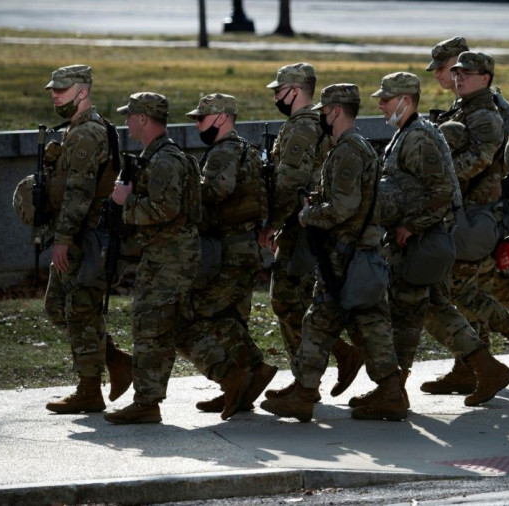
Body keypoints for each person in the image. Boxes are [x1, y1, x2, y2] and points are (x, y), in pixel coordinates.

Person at [349, 72, 509, 410]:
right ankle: (487, 368)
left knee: (406, 313)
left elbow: (441, 192)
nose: (381, 104)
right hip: (425, 242)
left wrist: (412, 224)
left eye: (387, 98)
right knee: (436, 310)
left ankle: (393, 390)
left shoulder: (419, 138)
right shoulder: (408, 134)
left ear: (406, 101)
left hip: (422, 243)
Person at [260, 84, 407, 422]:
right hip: (359, 253)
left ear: (336, 111)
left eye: (324, 111)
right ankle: (389, 391)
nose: (321, 117)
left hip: (345, 255)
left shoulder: (347, 151)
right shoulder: (357, 147)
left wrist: (308, 214)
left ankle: (305, 391)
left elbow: (343, 206)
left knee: (318, 321)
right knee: (370, 324)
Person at [104, 92, 251, 424]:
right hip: (171, 253)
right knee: (178, 327)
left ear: (143, 119)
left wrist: (125, 202)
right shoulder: (161, 157)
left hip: (169, 256)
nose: (126, 122)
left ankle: (147, 402)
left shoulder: (165, 161)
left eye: (131, 116)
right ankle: (233, 376)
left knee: (150, 324)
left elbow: (166, 209)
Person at [419, 52, 509, 397]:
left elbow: (480, 159)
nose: (458, 79)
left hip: (479, 216)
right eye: (455, 73)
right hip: (466, 214)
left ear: (485, 77)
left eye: (466, 74)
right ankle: (472, 367)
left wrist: (434, 176)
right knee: (472, 289)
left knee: (461, 290)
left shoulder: (485, 114)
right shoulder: (465, 109)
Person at [260, 63, 363, 400]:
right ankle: (313, 374)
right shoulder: (307, 124)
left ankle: (315, 374)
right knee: (296, 301)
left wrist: (272, 223)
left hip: (300, 225)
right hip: (304, 222)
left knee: (290, 301)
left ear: (295, 90)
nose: (276, 96)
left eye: (280, 90)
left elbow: (291, 183)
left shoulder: (302, 128)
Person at [41, 64, 132, 414]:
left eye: (62, 90)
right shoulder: (81, 128)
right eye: (53, 90)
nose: (55, 95)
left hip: (84, 236)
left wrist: (63, 238)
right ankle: (115, 360)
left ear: (82, 92)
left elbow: (79, 193)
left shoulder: (85, 134)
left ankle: (89, 389)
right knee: (60, 308)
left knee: (79, 311)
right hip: (80, 234)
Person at [182, 93, 278, 414]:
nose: (197, 124)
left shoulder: (224, 153)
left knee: (202, 314)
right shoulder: (246, 150)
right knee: (232, 317)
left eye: (201, 118)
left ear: (222, 118)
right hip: (244, 245)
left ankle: (245, 376)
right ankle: (245, 384)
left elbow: (216, 191)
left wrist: (186, 187)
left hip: (229, 248)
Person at [425, 36, 470, 123]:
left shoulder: (478, 103)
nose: (436, 75)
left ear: (459, 64)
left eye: (441, 68)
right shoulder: (462, 99)